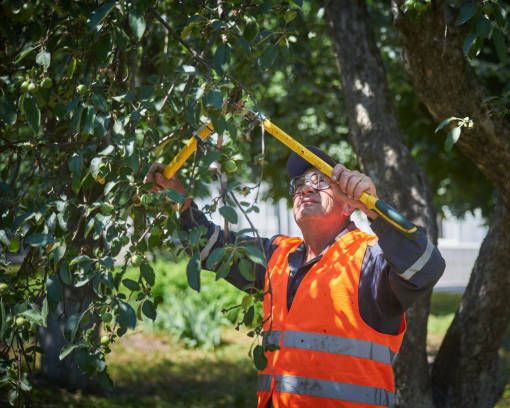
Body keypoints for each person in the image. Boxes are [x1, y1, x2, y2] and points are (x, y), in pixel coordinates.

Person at [145, 146, 445, 408]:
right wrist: (179, 200)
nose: (305, 188)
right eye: (299, 183)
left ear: (349, 202)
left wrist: (375, 211)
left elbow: (428, 267)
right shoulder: (276, 255)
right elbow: (209, 246)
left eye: (320, 180)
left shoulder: (371, 259)